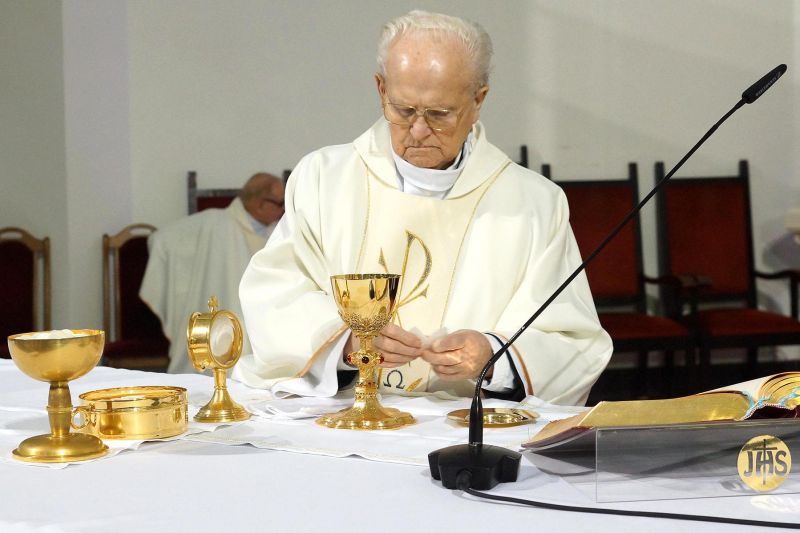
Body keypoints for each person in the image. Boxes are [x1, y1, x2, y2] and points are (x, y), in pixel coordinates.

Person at [234, 11, 612, 405]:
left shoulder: (534, 203)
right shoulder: (323, 179)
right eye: (403, 110)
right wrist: (345, 343)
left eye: (439, 114)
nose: (418, 130)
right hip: (346, 415)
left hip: (463, 421)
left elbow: (572, 340)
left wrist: (495, 355)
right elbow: (275, 294)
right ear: (381, 89)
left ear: (478, 100)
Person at [140, 172, 284, 373]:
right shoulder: (217, 223)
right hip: (228, 315)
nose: (284, 210)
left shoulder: (279, 231)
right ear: (259, 203)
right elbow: (161, 240)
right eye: (280, 203)